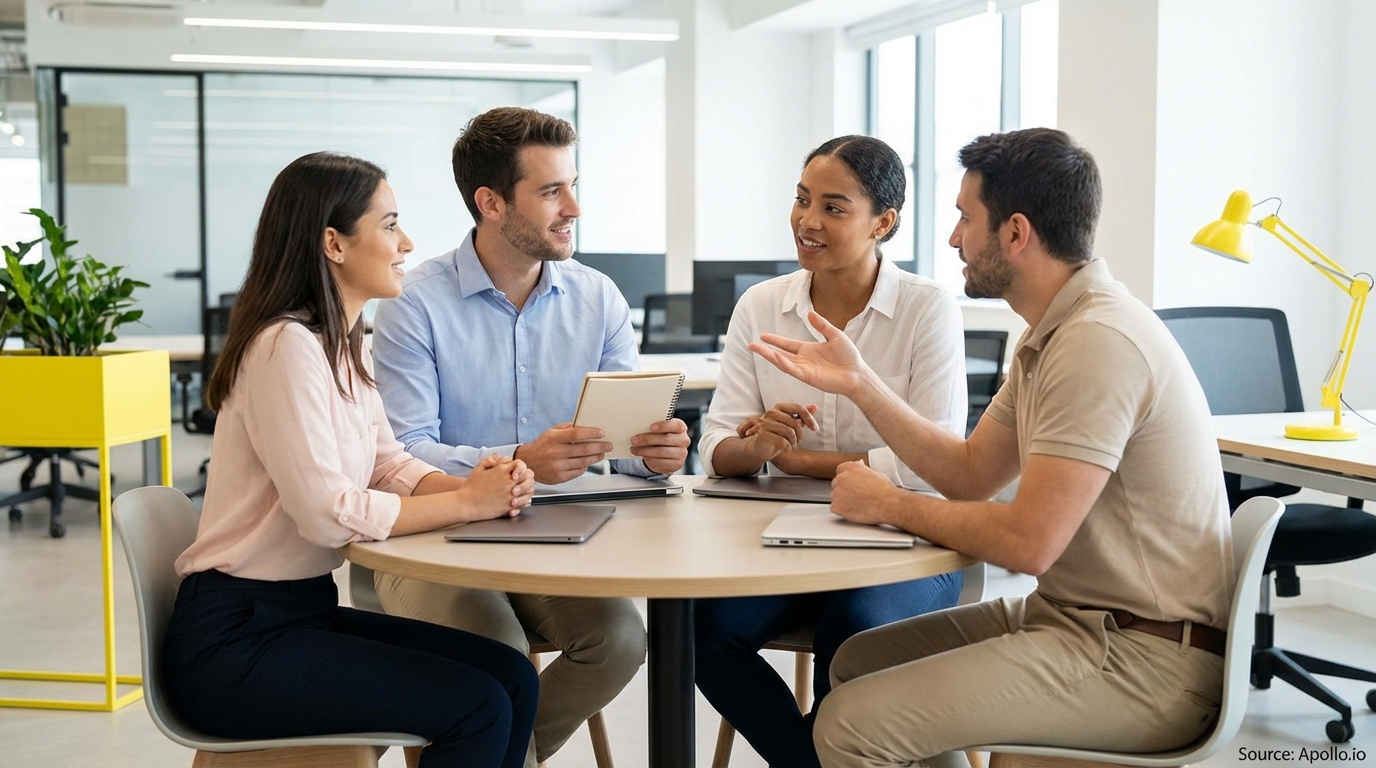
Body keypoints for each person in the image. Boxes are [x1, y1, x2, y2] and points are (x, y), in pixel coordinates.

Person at [751, 128, 1234, 766]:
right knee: (856, 661)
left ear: (1015, 234)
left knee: (847, 724)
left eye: (964, 219)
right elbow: (971, 472)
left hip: (1144, 659)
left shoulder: (1099, 342)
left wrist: (889, 503)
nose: (953, 238)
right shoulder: (1050, 335)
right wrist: (861, 384)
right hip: (1073, 619)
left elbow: (1028, 543)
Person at [163, 152, 540, 768]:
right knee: (477, 705)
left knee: (512, 676)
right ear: (333, 244)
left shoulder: (339, 343)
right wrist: (467, 504)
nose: (407, 242)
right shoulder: (286, 345)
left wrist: (477, 485)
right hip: (237, 643)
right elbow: (328, 516)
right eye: (390, 224)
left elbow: (387, 465)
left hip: (298, 615)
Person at [369, 107, 690, 765]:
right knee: (499, 659)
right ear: (490, 203)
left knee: (622, 640)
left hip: (555, 541)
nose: (573, 206)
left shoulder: (599, 299)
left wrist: (655, 456)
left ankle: (486, 758)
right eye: (550, 191)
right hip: (436, 540)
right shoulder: (411, 303)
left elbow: (622, 448)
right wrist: (521, 461)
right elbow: (401, 450)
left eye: (572, 185)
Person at [693, 135, 967, 768]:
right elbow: (716, 447)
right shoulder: (762, 305)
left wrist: (802, 463)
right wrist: (754, 445)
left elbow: (937, 462)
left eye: (834, 207)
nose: (807, 221)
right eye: (801, 199)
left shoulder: (926, 310)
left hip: (908, 540)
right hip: (781, 542)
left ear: (884, 222)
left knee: (852, 636)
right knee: (702, 634)